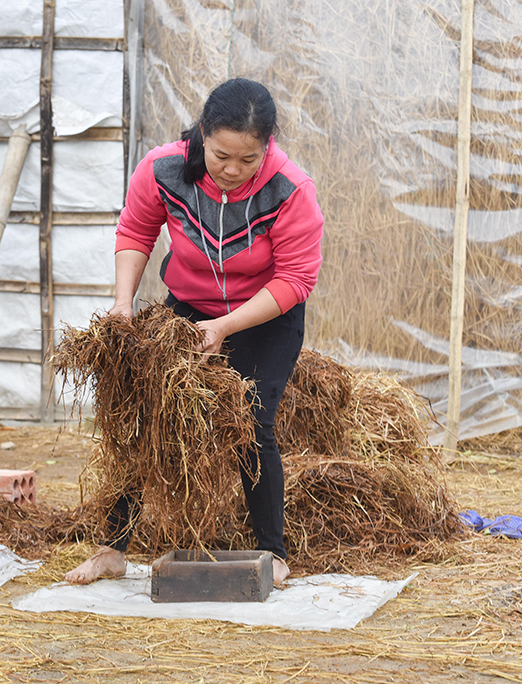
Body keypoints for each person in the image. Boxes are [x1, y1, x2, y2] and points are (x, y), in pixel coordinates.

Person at [64, 78, 324, 586]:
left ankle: (273, 552)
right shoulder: (163, 169)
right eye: (221, 155)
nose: (232, 170)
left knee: (252, 422)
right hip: (188, 307)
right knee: (146, 417)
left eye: (247, 160)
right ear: (202, 134)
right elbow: (136, 230)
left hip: (265, 317)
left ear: (266, 147)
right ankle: (113, 549)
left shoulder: (291, 189)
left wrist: (226, 326)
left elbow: (296, 278)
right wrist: (123, 304)